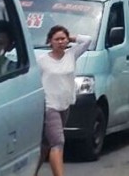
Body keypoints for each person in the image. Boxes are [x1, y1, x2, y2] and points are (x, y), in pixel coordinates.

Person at [35, 26, 92, 176]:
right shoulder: (41, 61)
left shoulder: (71, 54)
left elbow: (87, 41)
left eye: (63, 39)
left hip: (65, 104)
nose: (60, 42)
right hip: (50, 106)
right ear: (50, 42)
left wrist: (71, 37)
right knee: (58, 142)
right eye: (56, 39)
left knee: (46, 143)